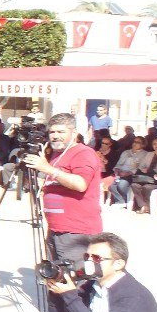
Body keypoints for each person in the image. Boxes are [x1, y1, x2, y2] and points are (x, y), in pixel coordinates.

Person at [24, 112, 102, 264]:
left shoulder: (83, 153)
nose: (55, 136)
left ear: (74, 133)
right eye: (52, 132)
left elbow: (80, 184)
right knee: (56, 278)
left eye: (61, 132)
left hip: (76, 230)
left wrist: (48, 169)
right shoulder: (57, 154)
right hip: (56, 228)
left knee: (73, 280)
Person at [108, 136, 150, 206]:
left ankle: (121, 202)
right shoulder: (126, 152)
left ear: (143, 145)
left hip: (133, 175)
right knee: (111, 186)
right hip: (120, 173)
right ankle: (121, 201)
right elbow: (118, 164)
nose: (135, 143)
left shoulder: (145, 154)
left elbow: (141, 168)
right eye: (134, 141)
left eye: (138, 142)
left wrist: (128, 173)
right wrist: (117, 170)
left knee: (122, 185)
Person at [130, 138, 157, 214]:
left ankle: (147, 206)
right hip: (145, 177)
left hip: (156, 179)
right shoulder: (149, 154)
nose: (156, 146)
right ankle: (144, 206)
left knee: (147, 188)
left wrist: (152, 171)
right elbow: (141, 166)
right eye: (154, 144)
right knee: (134, 185)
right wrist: (144, 169)